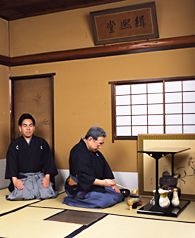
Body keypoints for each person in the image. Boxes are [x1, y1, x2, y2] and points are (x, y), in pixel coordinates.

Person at [63, 126, 124, 208]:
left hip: (94, 185)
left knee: (119, 195)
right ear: (90, 139)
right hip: (80, 187)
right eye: (99, 144)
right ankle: (73, 199)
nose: (100, 147)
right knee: (103, 201)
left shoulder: (95, 151)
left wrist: (112, 183)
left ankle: (96, 197)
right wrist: (103, 183)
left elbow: (105, 167)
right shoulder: (78, 152)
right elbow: (83, 176)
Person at [5, 113, 58, 200]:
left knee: (47, 194)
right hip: (23, 177)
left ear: (34, 127)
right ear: (20, 128)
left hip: (39, 177)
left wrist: (47, 177)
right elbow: (11, 163)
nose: (28, 128)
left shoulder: (42, 143)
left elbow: (49, 161)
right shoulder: (14, 145)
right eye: (25, 126)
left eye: (30, 125)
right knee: (22, 196)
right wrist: (14, 180)